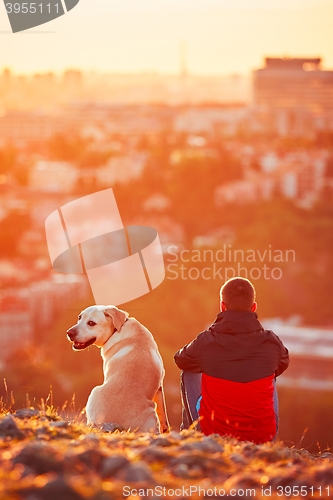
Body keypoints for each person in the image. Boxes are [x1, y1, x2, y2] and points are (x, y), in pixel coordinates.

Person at [174, 277, 289, 444]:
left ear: (222, 306)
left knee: (189, 373)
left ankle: (190, 437)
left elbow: (181, 359)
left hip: (214, 435)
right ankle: (266, 435)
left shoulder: (206, 341)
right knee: (270, 374)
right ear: (254, 307)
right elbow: (283, 363)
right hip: (262, 438)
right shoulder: (272, 342)